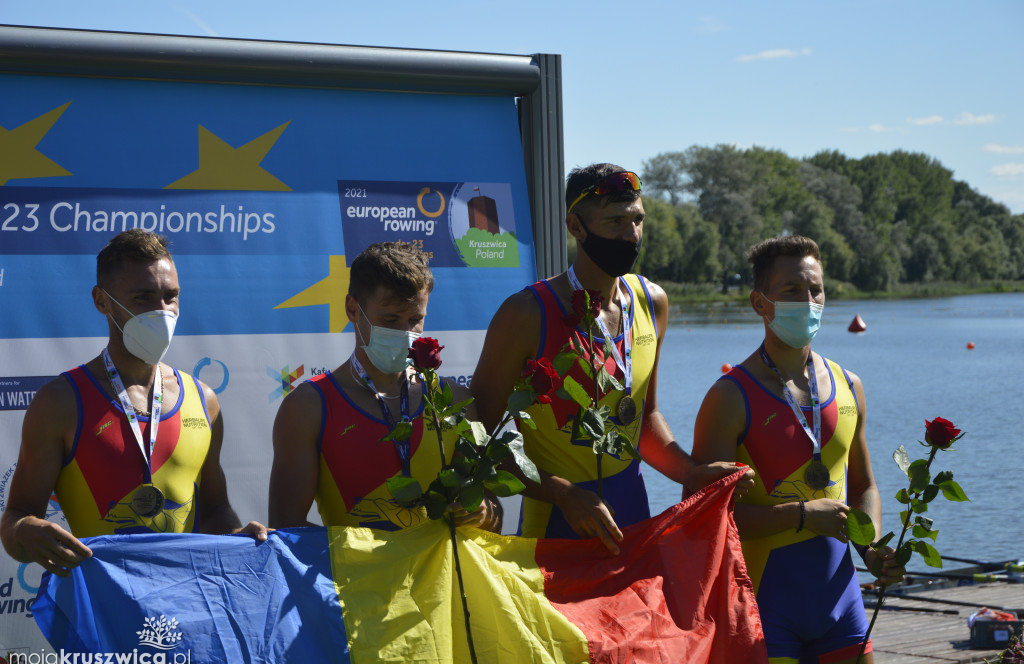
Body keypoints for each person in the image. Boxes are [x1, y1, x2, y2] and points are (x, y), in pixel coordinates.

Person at [471, 163, 752, 554]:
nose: (631, 234)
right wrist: (562, 493)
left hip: (632, 516)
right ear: (576, 227)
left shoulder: (652, 301)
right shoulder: (526, 313)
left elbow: (644, 419)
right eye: (615, 221)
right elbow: (478, 437)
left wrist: (691, 472)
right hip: (556, 521)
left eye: (638, 220)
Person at [690, 235, 904, 664]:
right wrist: (801, 516)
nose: (807, 301)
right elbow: (703, 517)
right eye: (791, 290)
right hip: (762, 604)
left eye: (815, 290)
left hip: (841, 600)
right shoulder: (728, 398)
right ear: (760, 303)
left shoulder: (850, 385)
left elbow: (864, 486)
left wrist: (871, 549)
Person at [1, 230, 267, 578]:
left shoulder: (204, 400)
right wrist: (25, 531)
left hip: (185, 601)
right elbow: (16, 518)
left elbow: (215, 510)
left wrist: (237, 537)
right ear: (102, 301)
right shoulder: (61, 402)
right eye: (143, 298)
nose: (162, 311)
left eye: (170, 297)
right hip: (101, 604)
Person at [269, 241, 501, 532]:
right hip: (351, 565)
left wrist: (483, 513)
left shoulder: (454, 399)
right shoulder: (308, 407)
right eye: (390, 319)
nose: (405, 333)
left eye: (415, 320)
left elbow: (491, 520)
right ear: (352, 310)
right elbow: (285, 527)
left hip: (440, 564)